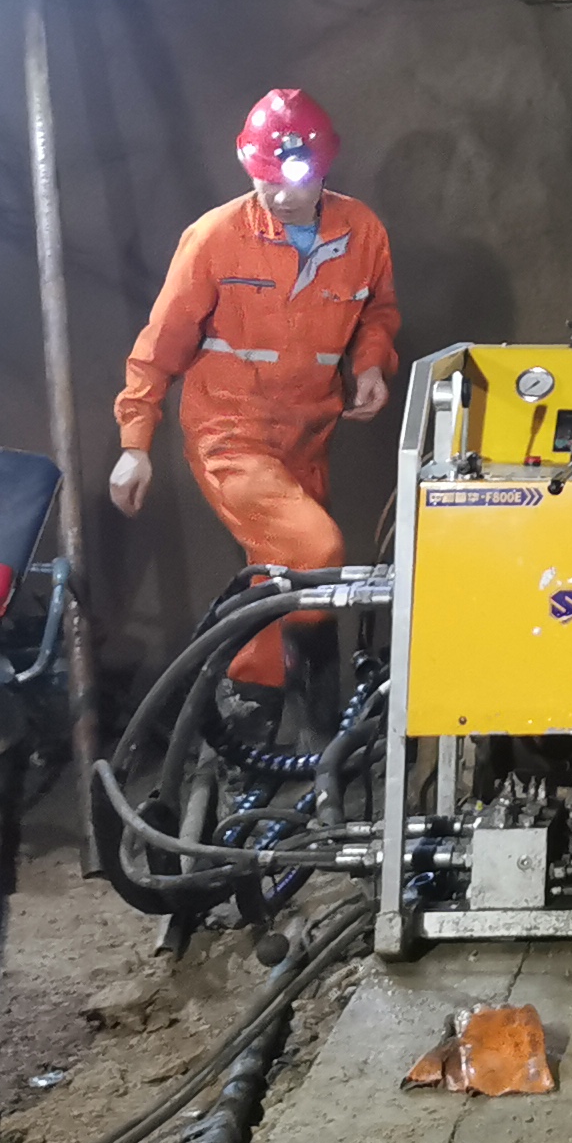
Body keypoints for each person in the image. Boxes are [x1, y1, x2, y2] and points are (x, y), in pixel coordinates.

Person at [110, 88, 398, 730]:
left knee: (280, 571)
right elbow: (159, 345)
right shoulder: (216, 237)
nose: (277, 194)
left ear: (323, 168)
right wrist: (135, 444)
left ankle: (253, 716)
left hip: (308, 437)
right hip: (229, 433)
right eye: (263, 177)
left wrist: (370, 363)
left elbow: (377, 311)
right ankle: (310, 721)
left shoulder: (362, 233)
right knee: (316, 551)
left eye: (292, 179)